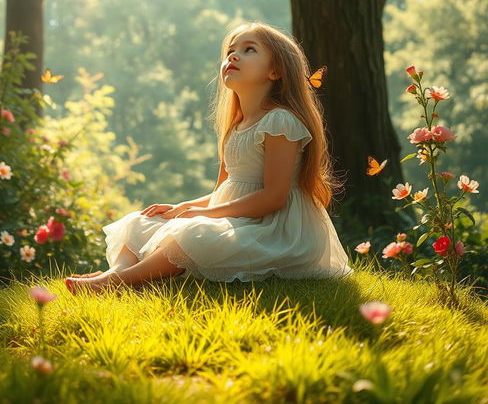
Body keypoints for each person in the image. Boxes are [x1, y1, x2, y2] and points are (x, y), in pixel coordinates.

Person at [64, 22, 354, 295]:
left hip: (272, 227)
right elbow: (223, 191)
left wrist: (204, 214)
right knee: (141, 221)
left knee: (194, 232)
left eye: (248, 50)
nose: (234, 57)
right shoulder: (236, 127)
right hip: (234, 216)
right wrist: (183, 206)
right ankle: (118, 273)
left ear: (275, 71)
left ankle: (117, 281)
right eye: (230, 52)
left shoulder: (279, 122)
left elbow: (273, 198)